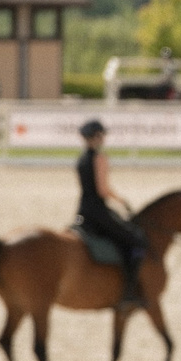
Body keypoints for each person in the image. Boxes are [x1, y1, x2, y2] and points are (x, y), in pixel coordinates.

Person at [73, 118, 149, 310]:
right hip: (99, 212)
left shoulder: (81, 160)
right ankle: (129, 293)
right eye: (101, 135)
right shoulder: (100, 158)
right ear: (96, 137)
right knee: (137, 241)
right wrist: (121, 200)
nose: (103, 138)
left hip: (82, 212)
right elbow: (102, 190)